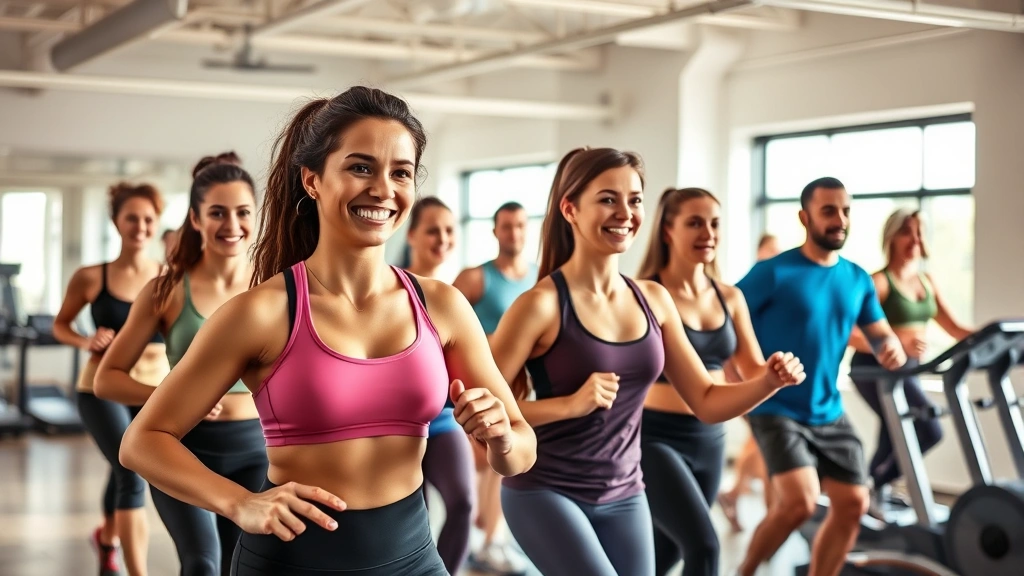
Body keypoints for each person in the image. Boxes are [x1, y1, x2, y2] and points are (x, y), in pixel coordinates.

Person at [119, 86, 537, 576]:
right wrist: (237, 503)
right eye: (361, 167)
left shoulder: (441, 305)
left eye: (400, 172)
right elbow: (143, 440)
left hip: (415, 560)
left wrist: (503, 439)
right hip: (292, 563)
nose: (383, 189)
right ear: (312, 180)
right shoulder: (262, 312)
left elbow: (522, 450)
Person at [487, 147, 806, 576]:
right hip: (546, 490)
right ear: (570, 209)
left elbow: (707, 400)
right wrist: (568, 405)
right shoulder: (541, 305)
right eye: (607, 199)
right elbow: (483, 407)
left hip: (626, 491)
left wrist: (768, 381)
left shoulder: (653, 300)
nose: (625, 212)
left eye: (634, 199)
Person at [96, 152, 267, 576]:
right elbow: (107, 380)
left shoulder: (274, 285)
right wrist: (169, 396)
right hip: (181, 448)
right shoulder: (166, 290)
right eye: (217, 213)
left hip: (258, 451)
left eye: (243, 212)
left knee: (240, 566)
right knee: (202, 564)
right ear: (195, 218)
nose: (232, 225)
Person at [735, 177, 908, 576]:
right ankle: (744, 570)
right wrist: (740, 376)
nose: (839, 219)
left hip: (827, 406)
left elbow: (878, 330)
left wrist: (890, 345)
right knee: (799, 502)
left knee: (853, 504)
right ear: (805, 217)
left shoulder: (857, 278)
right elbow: (726, 316)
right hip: (776, 404)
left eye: (845, 210)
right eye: (828, 210)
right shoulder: (773, 272)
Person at [636, 189, 784, 576]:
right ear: (668, 230)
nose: (708, 233)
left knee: (665, 553)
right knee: (704, 547)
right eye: (695, 223)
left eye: (715, 223)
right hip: (654, 437)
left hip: (710, 438)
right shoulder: (645, 293)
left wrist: (774, 371)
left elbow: (751, 366)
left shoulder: (730, 297)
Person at [52, 182, 167, 576]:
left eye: (148, 219)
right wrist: (85, 339)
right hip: (100, 387)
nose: (140, 226)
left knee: (123, 467)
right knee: (130, 468)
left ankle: (106, 539)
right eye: (131, 218)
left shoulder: (171, 277)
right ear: (116, 222)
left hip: (154, 389)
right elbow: (60, 325)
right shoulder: (90, 277)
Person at [847, 208, 972, 516]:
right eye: (907, 232)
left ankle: (875, 491)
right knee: (929, 429)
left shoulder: (925, 282)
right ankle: (874, 485)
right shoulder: (880, 282)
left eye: (918, 232)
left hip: (909, 370)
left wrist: (997, 333)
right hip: (871, 368)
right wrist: (895, 341)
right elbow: (849, 332)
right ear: (891, 237)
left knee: (894, 432)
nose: (914, 239)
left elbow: (956, 329)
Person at [453, 201, 536, 576]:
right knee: (483, 469)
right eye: (507, 226)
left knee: (504, 466)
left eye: (520, 225)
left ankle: (491, 540)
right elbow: (443, 324)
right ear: (495, 231)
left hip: (521, 386)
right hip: (481, 385)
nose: (514, 233)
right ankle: (485, 541)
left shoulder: (538, 276)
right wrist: (492, 339)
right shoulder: (476, 278)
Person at [403, 195, 475, 575]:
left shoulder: (456, 294)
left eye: (449, 230)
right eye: (433, 230)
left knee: (463, 503)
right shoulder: (392, 287)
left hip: (446, 421)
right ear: (411, 235)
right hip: (402, 424)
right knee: (419, 516)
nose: (443, 238)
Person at [718, 232, 781, 532]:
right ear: (758, 252)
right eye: (769, 252)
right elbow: (726, 332)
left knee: (758, 441)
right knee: (764, 440)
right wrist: (731, 372)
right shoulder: (747, 287)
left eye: (777, 253)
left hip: (767, 375)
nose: (773, 258)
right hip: (748, 377)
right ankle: (767, 511)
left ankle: (734, 494)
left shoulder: (775, 287)